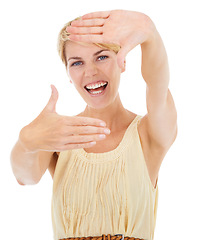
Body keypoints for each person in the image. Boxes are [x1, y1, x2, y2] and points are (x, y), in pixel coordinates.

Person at [10, 9, 177, 240]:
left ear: (122, 61)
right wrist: (27, 140)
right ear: (68, 74)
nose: (91, 72)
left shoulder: (148, 134)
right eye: (77, 63)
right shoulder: (60, 135)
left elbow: (157, 86)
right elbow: (25, 178)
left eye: (101, 57)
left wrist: (149, 32)